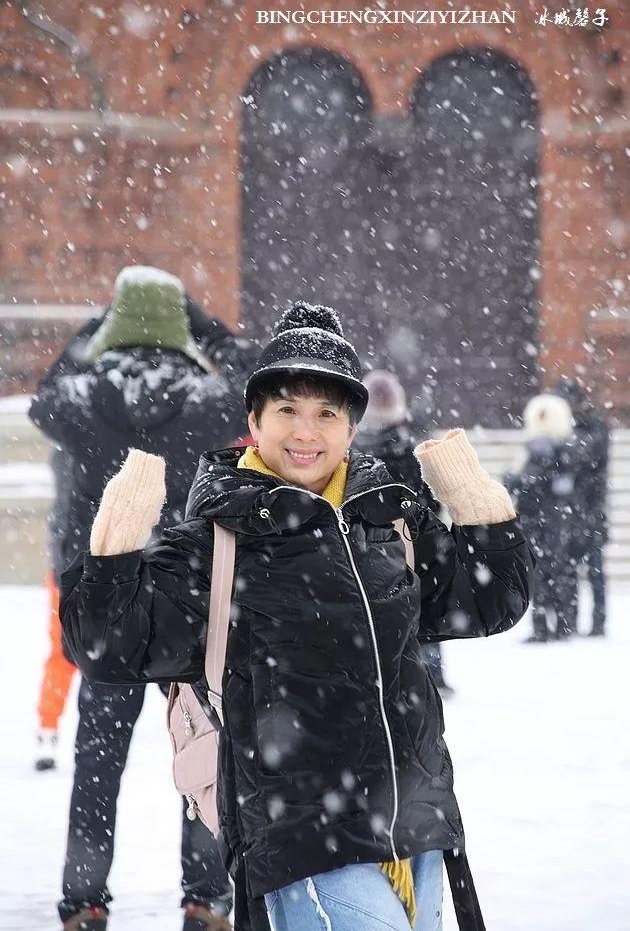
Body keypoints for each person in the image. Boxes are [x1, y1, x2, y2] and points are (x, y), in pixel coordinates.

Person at [61, 302, 534, 931]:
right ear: (253, 421)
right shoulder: (218, 539)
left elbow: (491, 602)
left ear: (351, 427)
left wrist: (473, 500)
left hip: (414, 821)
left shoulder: (387, 521)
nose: (305, 431)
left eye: (326, 413)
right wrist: (115, 551)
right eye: (286, 409)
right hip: (303, 834)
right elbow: (107, 646)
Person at [30, 266, 253, 931]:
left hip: (110, 602)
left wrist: (101, 326)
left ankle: (85, 898)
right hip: (188, 599)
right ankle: (206, 896)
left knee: (98, 759)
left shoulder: (82, 397)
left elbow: (42, 396)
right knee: (204, 752)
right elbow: (252, 374)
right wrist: (200, 323)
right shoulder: (212, 398)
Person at [354, 369, 454, 697]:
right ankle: (425, 675)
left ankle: (403, 676)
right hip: (405, 543)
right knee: (417, 612)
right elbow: (429, 500)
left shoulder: (359, 448)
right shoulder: (407, 446)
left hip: (379, 543)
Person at [504, 393, 576, 643]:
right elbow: (513, 482)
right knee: (540, 574)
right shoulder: (531, 450)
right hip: (538, 519)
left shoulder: (562, 451)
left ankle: (560, 625)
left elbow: (563, 486)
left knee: (553, 572)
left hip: (552, 519)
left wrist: (531, 479)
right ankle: (546, 627)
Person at [35, 447, 78, 770]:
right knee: (62, 652)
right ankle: (47, 726)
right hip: (69, 565)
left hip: (74, 560)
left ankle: (48, 726)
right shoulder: (70, 448)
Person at [555, 378, 610, 636]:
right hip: (570, 512)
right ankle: (569, 621)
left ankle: (597, 623)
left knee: (594, 571)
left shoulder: (592, 425)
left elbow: (587, 457)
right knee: (569, 571)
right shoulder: (569, 427)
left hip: (590, 510)